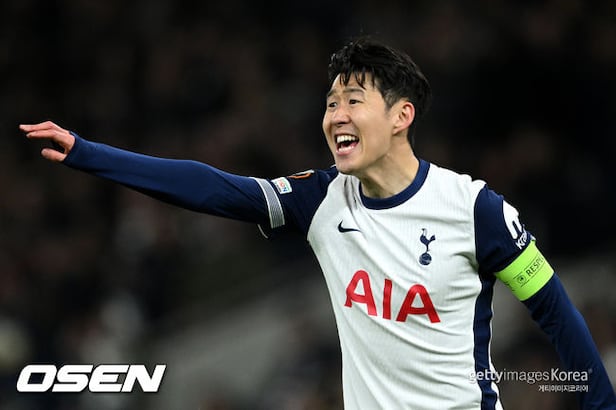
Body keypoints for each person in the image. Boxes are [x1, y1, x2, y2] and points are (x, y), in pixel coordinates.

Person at [21, 37, 615, 409]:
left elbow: (554, 310)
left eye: (354, 100)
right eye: (331, 103)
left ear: (402, 116)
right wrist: (87, 153)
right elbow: (214, 188)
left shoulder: (475, 210)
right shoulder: (322, 199)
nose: (336, 115)